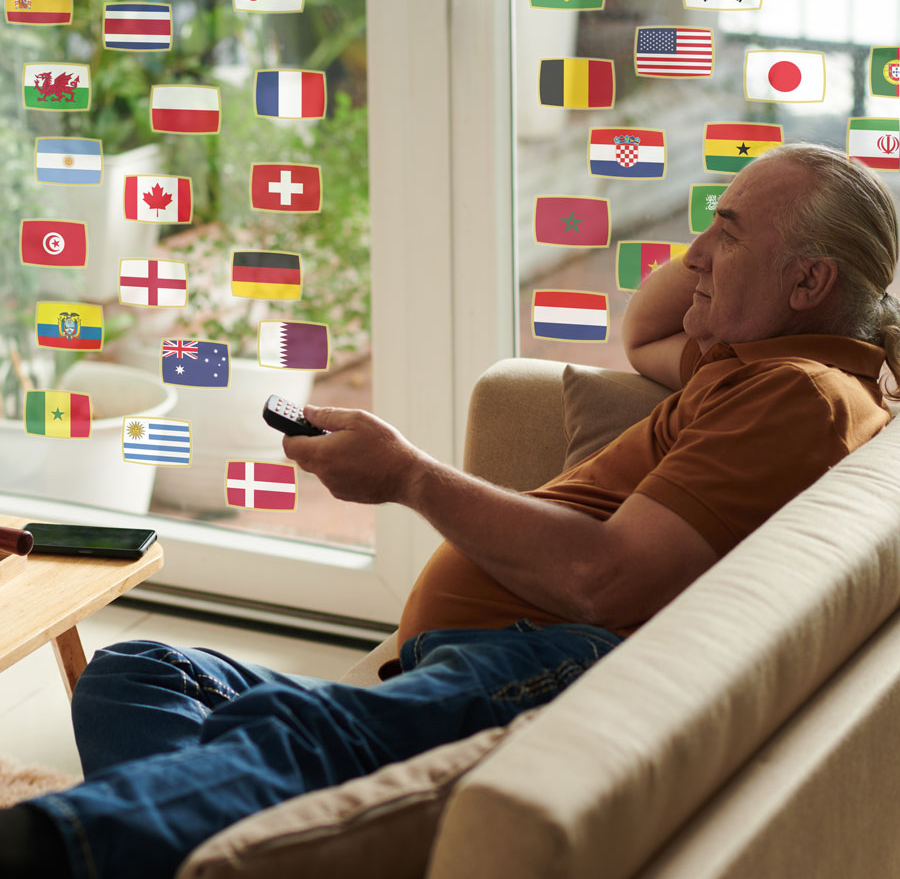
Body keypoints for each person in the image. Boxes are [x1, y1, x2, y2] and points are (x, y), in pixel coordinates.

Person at [2, 143, 898, 878]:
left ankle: (46, 847)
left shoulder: (798, 395)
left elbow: (603, 577)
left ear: (809, 283)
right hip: (493, 653)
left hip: (556, 662)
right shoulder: (761, 365)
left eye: (728, 237)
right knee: (144, 673)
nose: (694, 254)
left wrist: (410, 478)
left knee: (294, 735)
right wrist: (732, 242)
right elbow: (647, 332)